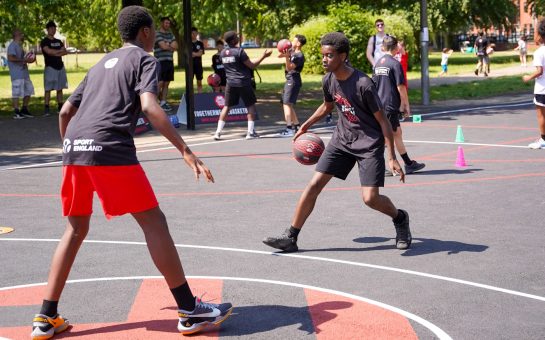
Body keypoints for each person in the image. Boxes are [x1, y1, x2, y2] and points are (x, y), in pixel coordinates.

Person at [30, 7, 232, 340]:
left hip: (75, 148)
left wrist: (71, 148)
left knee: (76, 228)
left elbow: (66, 110)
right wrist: (186, 151)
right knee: (154, 222)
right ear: (146, 33)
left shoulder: (100, 64)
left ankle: (45, 316)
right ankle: (190, 310)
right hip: (108, 147)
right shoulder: (144, 60)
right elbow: (151, 106)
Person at [263, 32, 412, 253]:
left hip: (369, 144)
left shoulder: (363, 84)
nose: (324, 59)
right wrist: (306, 125)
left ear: (343, 56)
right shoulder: (329, 80)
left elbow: (383, 123)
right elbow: (328, 106)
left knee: (370, 199)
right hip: (342, 140)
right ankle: (291, 236)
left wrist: (391, 157)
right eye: (323, 55)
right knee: (313, 185)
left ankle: (400, 218)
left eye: (329, 56)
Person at [373, 35, 425, 176]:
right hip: (390, 105)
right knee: (386, 137)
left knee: (396, 134)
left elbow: (374, 85)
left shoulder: (378, 63)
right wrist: (406, 105)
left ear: (383, 47)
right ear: (396, 48)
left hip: (380, 105)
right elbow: (401, 87)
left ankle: (408, 164)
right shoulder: (395, 64)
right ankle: (381, 167)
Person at [213, 30, 272, 140]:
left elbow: (234, 64)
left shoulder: (222, 53)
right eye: (236, 37)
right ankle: (250, 133)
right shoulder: (239, 51)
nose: (238, 38)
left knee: (226, 107)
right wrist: (264, 56)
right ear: (233, 40)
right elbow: (252, 66)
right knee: (250, 106)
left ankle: (217, 132)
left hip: (230, 83)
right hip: (243, 82)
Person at [523, 19, 545, 149]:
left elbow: (539, 71)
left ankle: (543, 139)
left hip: (542, 89)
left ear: (540, 35)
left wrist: (528, 77)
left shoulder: (539, 52)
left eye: (535, 32)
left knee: (541, 114)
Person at [278, 34, 306, 137]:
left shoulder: (299, 56)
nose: (291, 42)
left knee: (286, 104)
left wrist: (286, 58)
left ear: (298, 43)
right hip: (290, 79)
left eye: (293, 41)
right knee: (288, 104)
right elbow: (279, 55)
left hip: (293, 80)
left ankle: (289, 129)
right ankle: (297, 126)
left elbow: (289, 68)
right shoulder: (293, 52)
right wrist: (285, 51)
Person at [40, 20, 68, 116]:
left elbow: (64, 52)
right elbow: (49, 52)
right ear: (47, 30)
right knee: (48, 89)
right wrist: (58, 51)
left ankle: (60, 107)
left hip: (60, 67)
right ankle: (47, 108)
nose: (53, 30)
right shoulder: (44, 41)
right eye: (51, 28)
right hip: (50, 68)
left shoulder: (58, 41)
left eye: (55, 28)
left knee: (60, 88)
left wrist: (56, 52)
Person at [7, 29, 35, 119]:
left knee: (29, 90)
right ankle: (16, 111)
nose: (22, 35)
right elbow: (11, 58)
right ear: (16, 35)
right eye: (21, 34)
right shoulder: (12, 46)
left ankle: (24, 109)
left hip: (25, 74)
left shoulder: (20, 46)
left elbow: (23, 60)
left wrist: (30, 59)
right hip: (17, 74)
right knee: (16, 93)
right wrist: (23, 60)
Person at [154, 16, 177, 112]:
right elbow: (163, 46)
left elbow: (176, 46)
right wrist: (169, 45)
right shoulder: (157, 34)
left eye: (169, 23)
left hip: (169, 61)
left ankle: (163, 102)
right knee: (160, 83)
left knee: (167, 83)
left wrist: (168, 44)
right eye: (166, 23)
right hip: (160, 61)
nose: (167, 25)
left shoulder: (170, 34)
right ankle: (154, 103)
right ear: (162, 23)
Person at [192, 27, 205, 93]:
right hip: (190, 66)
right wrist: (196, 53)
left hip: (198, 65)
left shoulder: (200, 43)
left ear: (197, 34)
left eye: (195, 33)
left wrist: (194, 54)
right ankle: (190, 96)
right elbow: (188, 54)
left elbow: (200, 53)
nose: (193, 35)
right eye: (192, 33)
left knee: (199, 81)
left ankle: (200, 95)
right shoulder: (188, 43)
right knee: (190, 82)